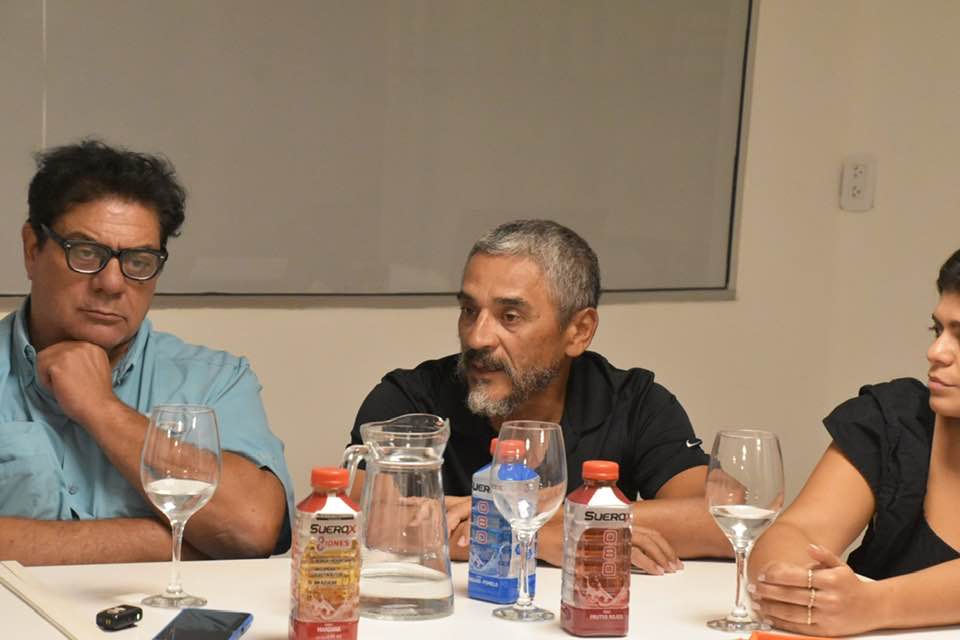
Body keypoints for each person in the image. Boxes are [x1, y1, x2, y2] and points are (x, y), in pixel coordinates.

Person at [349, 219, 730, 574]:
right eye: (469, 310)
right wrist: (538, 540)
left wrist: (537, 520)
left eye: (510, 316)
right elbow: (366, 521)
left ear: (578, 331)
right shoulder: (409, 399)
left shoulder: (634, 402)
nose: (477, 337)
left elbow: (721, 518)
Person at [0, 139, 294, 565]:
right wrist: (170, 544)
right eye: (86, 253)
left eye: (138, 261)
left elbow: (250, 529)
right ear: (32, 250)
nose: (111, 283)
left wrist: (101, 409)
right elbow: (225, 546)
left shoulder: (214, 380)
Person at [748, 248, 960, 636]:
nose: (936, 352)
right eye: (938, 330)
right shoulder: (894, 418)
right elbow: (796, 534)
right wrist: (805, 590)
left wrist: (873, 605)